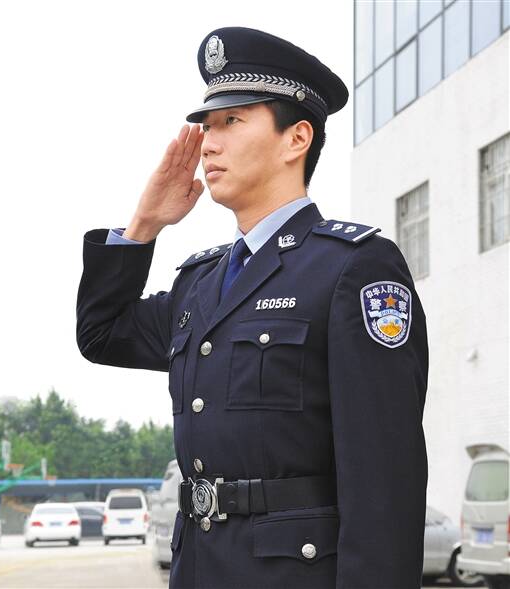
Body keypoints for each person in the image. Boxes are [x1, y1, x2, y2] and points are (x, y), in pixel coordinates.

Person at [76, 26, 429, 589]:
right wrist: (143, 226)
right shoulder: (201, 283)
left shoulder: (352, 268)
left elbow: (385, 480)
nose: (208, 144)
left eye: (232, 121)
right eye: (207, 126)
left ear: (296, 139)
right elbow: (101, 334)